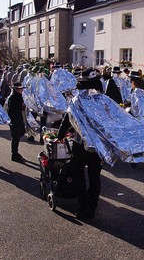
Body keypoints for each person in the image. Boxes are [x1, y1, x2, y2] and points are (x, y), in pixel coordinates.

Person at [57, 68, 103, 219]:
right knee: (95, 176)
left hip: (80, 144)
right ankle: (92, 207)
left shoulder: (78, 100)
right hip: (97, 146)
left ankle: (84, 206)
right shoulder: (103, 100)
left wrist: (60, 136)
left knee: (78, 174)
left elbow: (67, 119)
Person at [7, 82, 26, 162]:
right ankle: (14, 154)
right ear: (16, 89)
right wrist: (22, 107)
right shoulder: (13, 97)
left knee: (16, 137)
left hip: (17, 119)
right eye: (20, 89)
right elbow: (14, 109)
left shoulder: (17, 96)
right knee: (15, 137)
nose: (21, 90)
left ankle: (15, 152)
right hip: (15, 119)